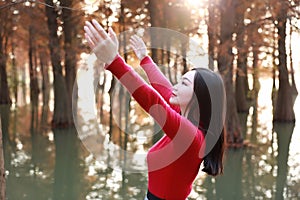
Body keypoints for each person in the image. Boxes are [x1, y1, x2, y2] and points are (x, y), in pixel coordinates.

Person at [84, 19, 226, 200]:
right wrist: (144, 58)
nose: (175, 86)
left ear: (197, 98)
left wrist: (115, 61)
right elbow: (164, 89)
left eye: (184, 83)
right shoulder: (187, 120)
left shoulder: (190, 136)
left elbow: (152, 100)